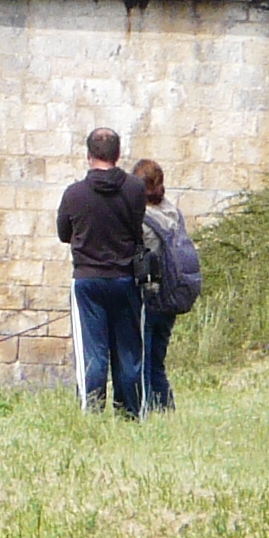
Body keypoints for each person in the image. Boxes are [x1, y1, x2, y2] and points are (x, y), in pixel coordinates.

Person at [58, 127, 148, 416]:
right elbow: (137, 228)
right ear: (118, 155)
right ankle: (130, 413)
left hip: (87, 280)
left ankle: (92, 414)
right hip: (125, 278)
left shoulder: (74, 194)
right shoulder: (135, 189)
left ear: (88, 155)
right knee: (128, 353)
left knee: (92, 354)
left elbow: (63, 233)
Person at [133, 157, 200, 412]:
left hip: (151, 297)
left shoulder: (144, 221)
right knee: (157, 361)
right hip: (172, 295)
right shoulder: (173, 213)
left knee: (144, 359)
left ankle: (147, 410)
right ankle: (165, 408)